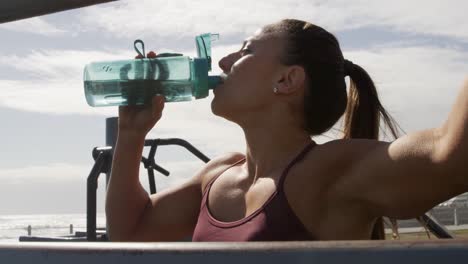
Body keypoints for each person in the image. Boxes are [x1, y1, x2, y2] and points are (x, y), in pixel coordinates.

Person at [105, 19, 468, 241]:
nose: (223, 61)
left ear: (287, 79)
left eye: (245, 51)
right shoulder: (217, 176)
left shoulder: (327, 171)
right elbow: (130, 231)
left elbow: (450, 157)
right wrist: (132, 133)